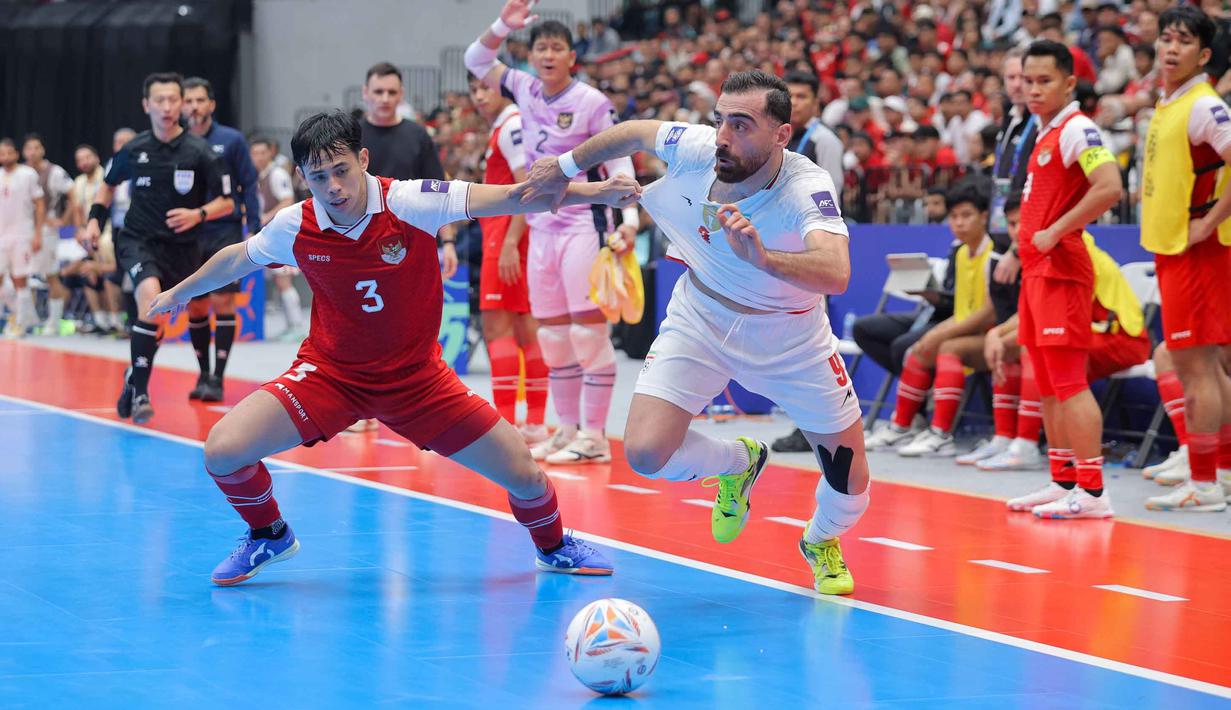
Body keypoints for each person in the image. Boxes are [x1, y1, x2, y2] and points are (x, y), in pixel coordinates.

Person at [145, 110, 636, 585]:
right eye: (319, 177)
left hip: (417, 382)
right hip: (330, 375)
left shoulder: (410, 201)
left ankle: (553, 548)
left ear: (362, 160)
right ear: (302, 178)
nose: (333, 187)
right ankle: (268, 534)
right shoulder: (295, 224)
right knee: (222, 451)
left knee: (526, 476)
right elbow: (238, 258)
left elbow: (514, 196)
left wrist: (597, 193)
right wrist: (179, 292)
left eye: (341, 170)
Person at [516, 70, 870, 596]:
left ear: (781, 135)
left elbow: (836, 271)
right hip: (700, 319)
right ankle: (738, 462)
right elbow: (634, 131)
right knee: (644, 452)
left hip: (791, 340)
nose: (724, 135)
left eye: (742, 124)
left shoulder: (806, 185)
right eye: (720, 119)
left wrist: (765, 259)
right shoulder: (701, 147)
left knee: (851, 487)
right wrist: (565, 168)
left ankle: (819, 541)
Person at [466, 0, 640, 464]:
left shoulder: (591, 102)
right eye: (540, 47)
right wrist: (504, 23)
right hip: (541, 229)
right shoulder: (523, 87)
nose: (547, 54)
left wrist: (628, 221)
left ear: (571, 58)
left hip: (584, 223)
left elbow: (620, 157)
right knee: (554, 338)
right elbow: (476, 60)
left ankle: (596, 436)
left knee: (587, 335)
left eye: (556, 48)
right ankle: (565, 431)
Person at [78, 72, 234, 424]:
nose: (166, 107)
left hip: (182, 248)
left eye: (172, 100)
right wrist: (92, 222)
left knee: (159, 320)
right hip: (138, 240)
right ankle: (142, 395)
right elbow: (107, 186)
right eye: (159, 101)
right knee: (149, 300)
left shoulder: (202, 152)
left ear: (182, 104)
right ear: (146, 105)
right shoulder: (134, 150)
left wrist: (198, 213)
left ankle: (133, 376)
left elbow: (228, 201)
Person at [1010, 40, 1124, 519]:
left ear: (1069, 83)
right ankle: (1064, 481)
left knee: (1070, 383)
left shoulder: (1078, 129)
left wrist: (1057, 230)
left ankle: (1095, 492)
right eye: (1027, 81)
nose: (1033, 90)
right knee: (1047, 384)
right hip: (1037, 271)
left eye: (1045, 82)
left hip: (1062, 271)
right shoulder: (1044, 132)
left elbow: (1111, 187)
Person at [1138, 6, 1231, 512]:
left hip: (1197, 252)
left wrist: (1209, 222)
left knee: (1195, 369)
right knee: (1210, 369)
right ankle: (1223, 471)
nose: (1171, 48)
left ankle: (1206, 483)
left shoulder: (1204, 106)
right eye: (1166, 38)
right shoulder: (1169, 102)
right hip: (1175, 248)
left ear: (1205, 54)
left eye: (1183, 41)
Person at [353, 61, 459, 433]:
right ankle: (362, 407)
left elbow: (441, 193)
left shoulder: (417, 136)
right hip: (357, 248)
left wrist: (447, 242)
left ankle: (419, 404)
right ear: (365, 93)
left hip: (411, 247)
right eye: (377, 92)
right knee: (360, 326)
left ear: (401, 96)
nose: (384, 99)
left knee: (412, 326)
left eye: (391, 92)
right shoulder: (351, 136)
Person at [883, 182, 995, 457]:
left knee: (946, 349)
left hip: (993, 333)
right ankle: (901, 427)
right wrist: (933, 335)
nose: (959, 223)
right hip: (973, 331)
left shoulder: (993, 253)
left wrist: (940, 334)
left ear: (984, 216)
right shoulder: (962, 253)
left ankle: (941, 434)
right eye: (954, 217)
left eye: (966, 215)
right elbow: (963, 310)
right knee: (919, 350)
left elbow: (988, 314)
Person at [469, 77, 550, 442]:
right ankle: (533, 422)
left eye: (485, 88)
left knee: (499, 328)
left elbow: (526, 185)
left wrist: (509, 242)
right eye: (474, 90)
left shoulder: (511, 124)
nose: (479, 96)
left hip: (507, 238)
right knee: (522, 329)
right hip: (512, 237)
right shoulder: (511, 124)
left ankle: (508, 423)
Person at [773, 69, 849, 454]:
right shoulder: (779, 139)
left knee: (812, 342)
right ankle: (806, 423)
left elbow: (828, 200)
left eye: (803, 96)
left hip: (813, 250)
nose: (796, 103)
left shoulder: (823, 141)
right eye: (791, 97)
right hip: (783, 251)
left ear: (817, 101)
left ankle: (818, 427)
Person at [182, 77, 261, 402]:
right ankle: (202, 373)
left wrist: (255, 227)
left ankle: (218, 377)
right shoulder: (178, 141)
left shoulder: (231, 140)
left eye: (201, 100)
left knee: (222, 302)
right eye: (189, 101)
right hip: (188, 235)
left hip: (225, 231)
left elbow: (249, 184)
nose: (195, 106)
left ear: (211, 104)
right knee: (196, 306)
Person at [251, 137, 304, 339]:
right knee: (279, 281)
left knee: (284, 281)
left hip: (283, 235)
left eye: (262, 152)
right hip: (269, 235)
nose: (258, 157)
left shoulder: (277, 174)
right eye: (254, 153)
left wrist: (266, 216)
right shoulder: (259, 176)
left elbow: (288, 200)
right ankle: (291, 325)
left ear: (270, 153)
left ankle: (297, 327)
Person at [21, 134, 74, 335]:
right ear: (24, 152)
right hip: (23, 228)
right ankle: (26, 318)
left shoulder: (55, 172)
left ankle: (54, 321)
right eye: (29, 148)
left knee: (50, 275)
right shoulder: (21, 172)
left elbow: (73, 194)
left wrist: (64, 220)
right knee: (21, 276)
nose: (32, 152)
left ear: (42, 150)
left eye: (36, 148)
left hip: (47, 230)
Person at [0, 138, 46, 337]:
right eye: (2, 153)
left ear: (16, 154)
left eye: (9, 152)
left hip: (22, 235)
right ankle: (21, 315)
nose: (6, 157)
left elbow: (40, 205)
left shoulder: (28, 174)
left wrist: (38, 233)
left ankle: (21, 323)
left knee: (20, 280)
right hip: (1, 236)